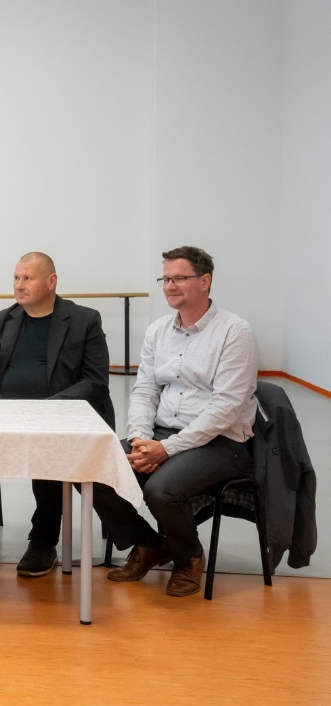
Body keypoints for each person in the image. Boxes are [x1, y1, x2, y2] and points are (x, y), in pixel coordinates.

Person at [95, 246, 259, 597]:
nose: (169, 286)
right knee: (94, 470)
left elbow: (226, 408)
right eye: (165, 279)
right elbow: (144, 391)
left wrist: (166, 449)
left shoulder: (235, 332)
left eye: (179, 278)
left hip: (222, 442)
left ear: (205, 281)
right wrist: (140, 439)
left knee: (161, 489)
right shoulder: (158, 330)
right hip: (161, 434)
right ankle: (150, 545)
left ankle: (189, 558)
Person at [0, 252, 114, 575]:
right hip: (6, 417)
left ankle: (43, 541)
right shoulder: (1, 320)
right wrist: (1, 408)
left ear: (52, 281)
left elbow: (95, 383)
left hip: (58, 418)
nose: (19, 285)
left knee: (49, 446)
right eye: (16, 278)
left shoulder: (84, 320)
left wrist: (43, 410)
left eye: (28, 278)